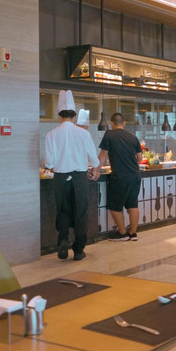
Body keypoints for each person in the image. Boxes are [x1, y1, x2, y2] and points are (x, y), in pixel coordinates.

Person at [44, 90, 100, 261]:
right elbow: (94, 159)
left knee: (63, 210)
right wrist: (94, 168)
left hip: (60, 179)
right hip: (79, 178)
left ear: (59, 116)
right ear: (74, 117)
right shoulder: (83, 133)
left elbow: (49, 163)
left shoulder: (51, 134)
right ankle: (78, 250)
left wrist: (54, 165)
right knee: (80, 212)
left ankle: (63, 241)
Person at [95, 113, 143, 241]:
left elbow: (103, 155)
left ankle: (122, 233)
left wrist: (96, 170)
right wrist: (134, 166)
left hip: (120, 176)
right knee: (133, 205)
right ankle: (133, 233)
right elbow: (139, 157)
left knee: (114, 206)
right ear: (124, 123)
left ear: (112, 123)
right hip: (135, 176)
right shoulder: (133, 137)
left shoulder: (109, 134)